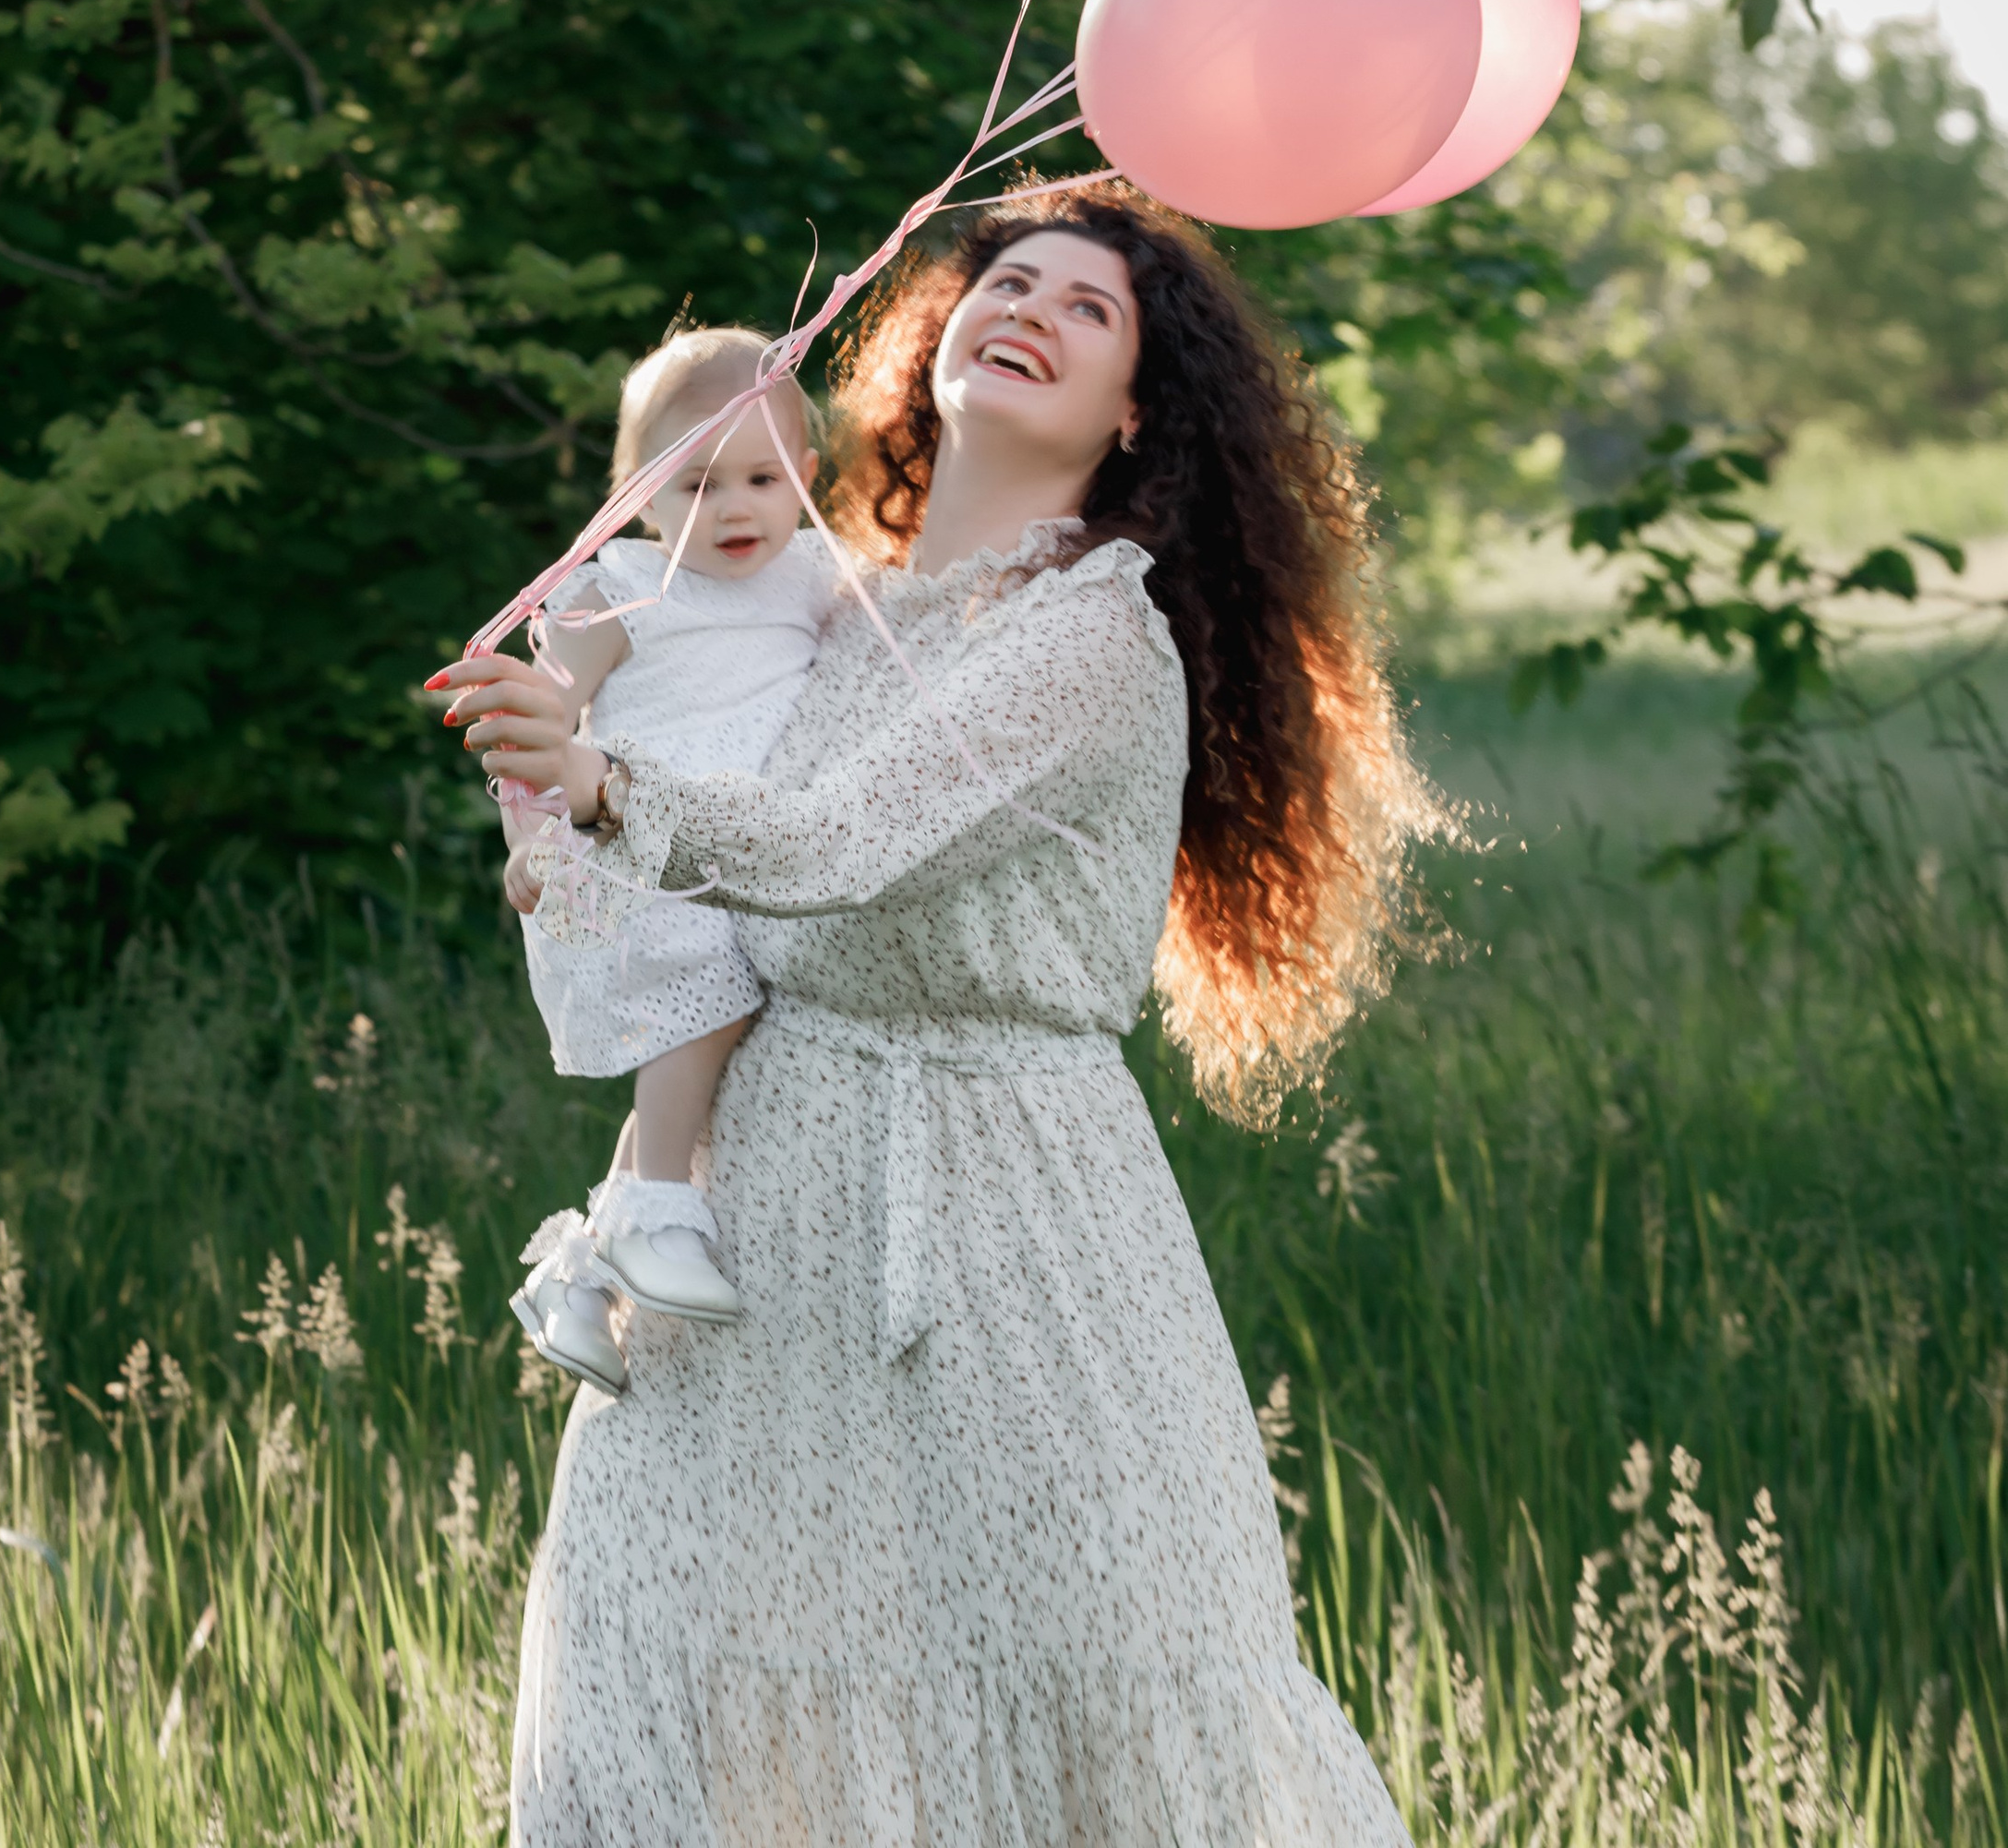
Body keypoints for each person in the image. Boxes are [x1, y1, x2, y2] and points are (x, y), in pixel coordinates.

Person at [434, 178, 1435, 1848]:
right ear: (937, 336)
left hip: (1005, 1210)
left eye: (1088, 307)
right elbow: (684, 828)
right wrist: (553, 797)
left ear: (1135, 413)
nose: (1029, 306)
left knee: (1059, 1672)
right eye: (1008, 279)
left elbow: (833, 848)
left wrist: (604, 782)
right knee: (671, 1632)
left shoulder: (1092, 640)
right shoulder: (833, 607)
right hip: (756, 1196)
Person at [507, 329, 846, 1397]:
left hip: (734, 853)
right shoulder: (620, 587)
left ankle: (580, 1281)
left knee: (697, 1044)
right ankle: (659, 1211)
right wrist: (528, 845)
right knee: (708, 995)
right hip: (631, 850)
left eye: (764, 476)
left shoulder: (815, 577)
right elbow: (528, 727)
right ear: (637, 495)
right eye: (696, 483)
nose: (735, 507)